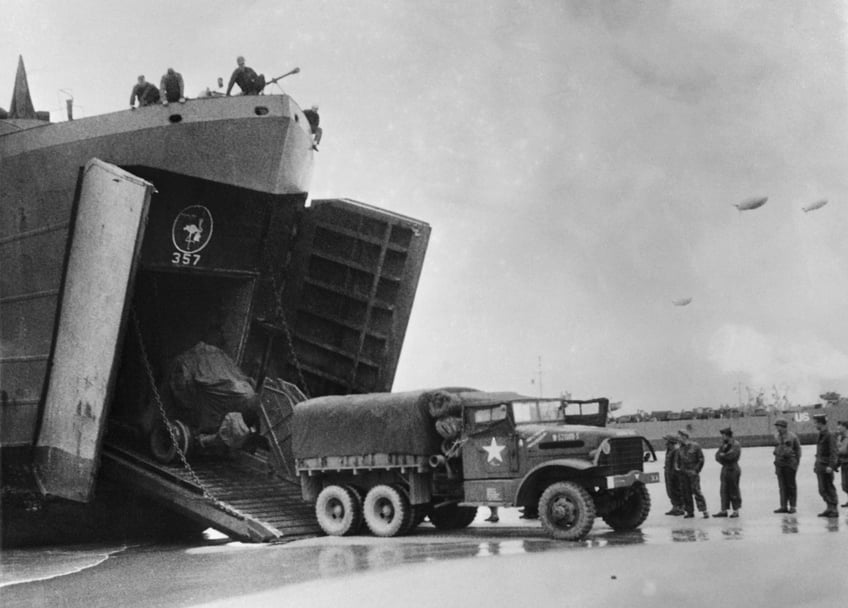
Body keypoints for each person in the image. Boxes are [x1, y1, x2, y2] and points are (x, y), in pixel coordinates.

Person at [676, 429, 709, 519]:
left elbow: (701, 459)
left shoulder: (695, 446)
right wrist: (679, 470)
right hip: (683, 473)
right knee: (685, 493)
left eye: (679, 436)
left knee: (696, 491)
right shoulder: (680, 448)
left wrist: (696, 470)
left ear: (684, 436)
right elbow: (678, 461)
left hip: (692, 472)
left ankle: (704, 510)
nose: (678, 438)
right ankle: (689, 511)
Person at [772, 417, 801, 514]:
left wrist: (796, 464)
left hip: (789, 464)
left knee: (791, 486)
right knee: (782, 486)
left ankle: (792, 506)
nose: (777, 429)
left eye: (779, 426)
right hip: (779, 464)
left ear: (784, 427)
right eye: (777, 427)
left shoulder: (792, 437)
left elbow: (798, 451)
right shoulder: (776, 437)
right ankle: (783, 506)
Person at [812, 414, 839, 517]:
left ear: (820, 422)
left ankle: (834, 509)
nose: (814, 425)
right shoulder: (821, 434)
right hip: (820, 466)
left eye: (815, 422)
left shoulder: (829, 435)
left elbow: (834, 452)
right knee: (822, 489)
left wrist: (831, 466)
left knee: (829, 487)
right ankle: (829, 507)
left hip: (826, 466)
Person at [713, 427, 742, 518]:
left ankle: (735, 510)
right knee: (723, 490)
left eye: (723, 435)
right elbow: (717, 456)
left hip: (733, 468)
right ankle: (724, 510)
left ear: (727, 435)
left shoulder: (735, 444)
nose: (722, 437)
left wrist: (724, 455)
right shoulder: (723, 445)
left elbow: (732, 456)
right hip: (725, 468)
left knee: (734, 490)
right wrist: (723, 457)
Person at [662, 434, 684, 515]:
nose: (666, 443)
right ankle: (675, 506)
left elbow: (677, 463)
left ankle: (681, 507)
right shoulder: (669, 450)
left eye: (667, 441)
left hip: (675, 474)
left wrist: (675, 473)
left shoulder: (676, 450)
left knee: (677, 490)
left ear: (671, 442)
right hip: (669, 473)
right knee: (670, 490)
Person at [837, 420, 848, 507]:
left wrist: (838, 450)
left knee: (846, 484)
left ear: (845, 427)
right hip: (843, 463)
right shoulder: (840, 437)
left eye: (840, 426)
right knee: (845, 485)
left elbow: (843, 451)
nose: (838, 428)